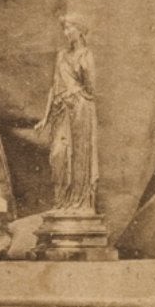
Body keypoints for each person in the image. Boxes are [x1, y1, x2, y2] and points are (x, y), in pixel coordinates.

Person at [34, 15, 99, 214]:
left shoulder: (86, 55)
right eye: (64, 28)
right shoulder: (61, 54)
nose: (66, 32)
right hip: (60, 110)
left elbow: (90, 88)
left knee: (79, 154)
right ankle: (61, 202)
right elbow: (54, 86)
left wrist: (75, 95)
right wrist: (45, 118)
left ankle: (79, 203)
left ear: (80, 30)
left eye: (70, 28)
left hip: (79, 109)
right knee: (58, 154)